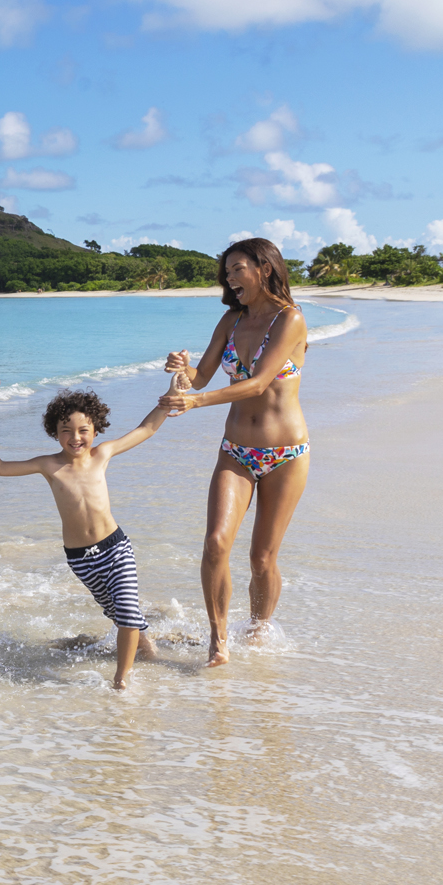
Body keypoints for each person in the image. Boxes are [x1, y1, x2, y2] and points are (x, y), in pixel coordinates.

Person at [159, 238, 311, 667]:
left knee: (262, 558)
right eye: (226, 273)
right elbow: (202, 376)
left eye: (237, 269)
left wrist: (195, 403)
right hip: (236, 450)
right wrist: (181, 369)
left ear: (264, 268)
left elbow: (260, 382)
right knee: (214, 544)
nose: (229, 279)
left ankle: (260, 629)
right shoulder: (230, 319)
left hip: (286, 452)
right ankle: (219, 638)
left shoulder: (290, 320)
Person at [0, 389, 169, 689]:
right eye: (66, 431)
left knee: (127, 610)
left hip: (115, 548)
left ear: (95, 430)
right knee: (115, 612)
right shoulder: (49, 465)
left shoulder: (103, 454)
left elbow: (147, 428)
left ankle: (122, 677)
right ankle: (144, 643)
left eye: (83, 430)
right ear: (55, 433)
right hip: (81, 560)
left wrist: (171, 396)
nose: (76, 437)